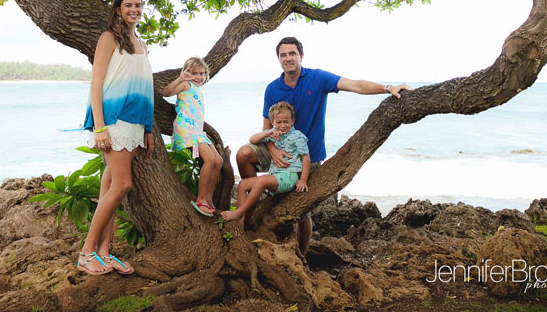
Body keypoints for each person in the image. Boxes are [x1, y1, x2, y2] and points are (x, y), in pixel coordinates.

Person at [236, 36, 410, 254]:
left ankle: (303, 255)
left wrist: (387, 88)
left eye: (292, 53)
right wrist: (273, 150)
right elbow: (265, 129)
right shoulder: (273, 89)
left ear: (301, 55)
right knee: (243, 154)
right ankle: (253, 204)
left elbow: (355, 85)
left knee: (303, 213)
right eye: (283, 55)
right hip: (277, 150)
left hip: (308, 156)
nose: (288, 58)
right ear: (278, 59)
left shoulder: (317, 78)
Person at [77, 0, 154, 276]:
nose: (134, 9)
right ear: (118, 9)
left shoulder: (141, 43)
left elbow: (144, 87)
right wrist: (99, 126)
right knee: (123, 185)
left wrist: (147, 128)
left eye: (138, 5)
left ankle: (104, 253)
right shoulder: (109, 38)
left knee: (110, 185)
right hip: (113, 120)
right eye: (128, 5)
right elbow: (96, 83)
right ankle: (86, 253)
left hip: (135, 122)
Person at [220, 101, 309, 222]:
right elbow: (252, 139)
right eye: (278, 122)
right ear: (272, 122)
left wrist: (303, 180)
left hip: (289, 176)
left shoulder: (297, 136)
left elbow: (306, 158)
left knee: (261, 181)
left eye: (286, 121)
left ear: (292, 121)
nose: (282, 125)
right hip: (275, 176)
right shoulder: (272, 133)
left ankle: (239, 212)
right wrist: (267, 133)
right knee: (242, 185)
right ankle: (239, 225)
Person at [162, 56, 222, 216]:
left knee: (219, 160)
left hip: (197, 130)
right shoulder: (185, 85)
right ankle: (201, 199)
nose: (199, 77)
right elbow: (166, 92)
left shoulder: (197, 90)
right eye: (195, 73)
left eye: (202, 73)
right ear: (187, 73)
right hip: (187, 128)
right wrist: (180, 78)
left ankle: (208, 199)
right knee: (209, 160)